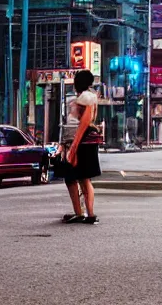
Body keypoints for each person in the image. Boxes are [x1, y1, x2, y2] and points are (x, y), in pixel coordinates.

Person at [61, 70, 102, 225]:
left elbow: (84, 122)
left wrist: (73, 148)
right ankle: (84, 213)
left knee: (78, 177)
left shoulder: (86, 97)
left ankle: (86, 213)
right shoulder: (86, 96)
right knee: (78, 178)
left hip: (81, 141)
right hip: (81, 140)